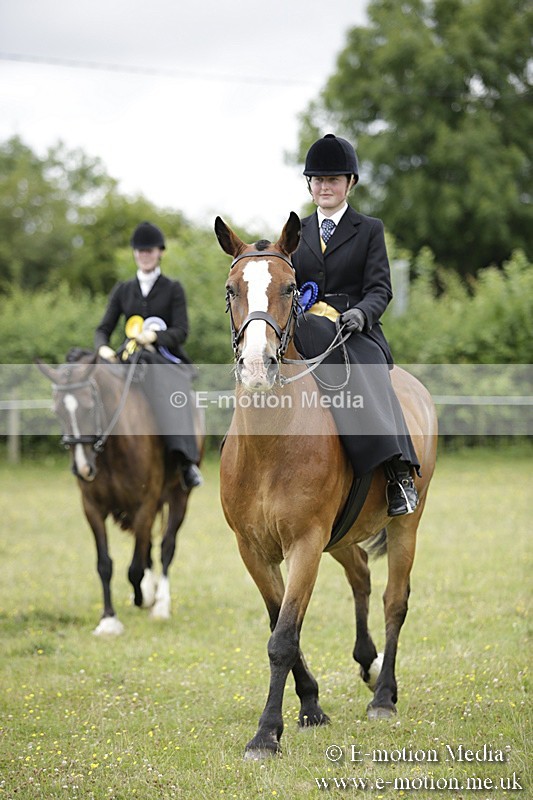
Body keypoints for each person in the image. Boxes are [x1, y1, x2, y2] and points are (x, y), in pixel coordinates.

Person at [293, 133, 419, 516]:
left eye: (333, 179)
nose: (325, 186)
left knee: (371, 376)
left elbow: (380, 288)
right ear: (310, 185)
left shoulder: (369, 229)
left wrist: (362, 313)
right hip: (305, 326)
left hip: (353, 329)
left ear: (350, 183)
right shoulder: (297, 231)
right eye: (318, 179)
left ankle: (399, 471)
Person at [94, 221, 203, 489]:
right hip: (128, 357)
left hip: (163, 358)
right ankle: (94, 453)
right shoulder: (123, 289)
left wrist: (154, 337)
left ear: (159, 252)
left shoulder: (172, 288)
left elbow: (181, 331)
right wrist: (103, 348)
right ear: (135, 253)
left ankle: (184, 459)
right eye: (140, 251)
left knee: (175, 392)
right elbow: (103, 328)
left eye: (149, 250)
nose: (144, 255)